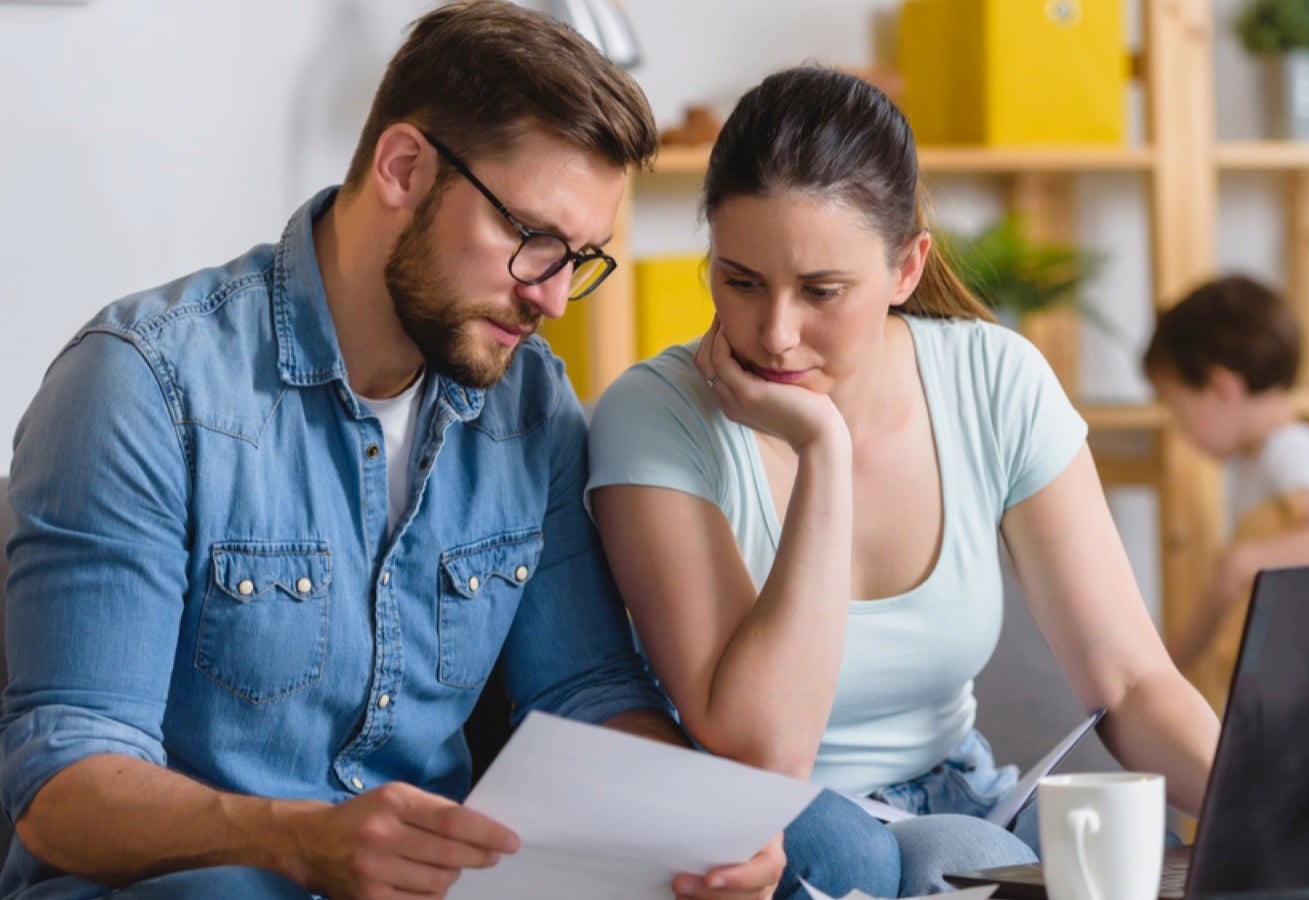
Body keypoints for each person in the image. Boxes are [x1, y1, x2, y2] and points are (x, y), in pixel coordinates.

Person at [0, 6, 894, 899]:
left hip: (434, 884)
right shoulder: (144, 385)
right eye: (532, 241)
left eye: (578, 259)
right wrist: (301, 843)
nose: (553, 299)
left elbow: (585, 694)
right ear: (403, 169)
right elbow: (61, 783)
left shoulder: (527, 402)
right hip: (200, 882)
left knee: (828, 844)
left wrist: (705, 827)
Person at [586, 66, 1221, 896]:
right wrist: (823, 454)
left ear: (907, 269)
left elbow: (1132, 682)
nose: (775, 333)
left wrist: (1275, 810)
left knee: (1119, 840)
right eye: (740, 281)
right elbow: (756, 749)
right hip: (768, 817)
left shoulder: (996, 381)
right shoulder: (653, 415)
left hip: (956, 792)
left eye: (822, 291)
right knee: (869, 858)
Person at [1143, 274, 1309, 712]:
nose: (1180, 428)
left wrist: (1242, 561)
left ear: (1221, 387)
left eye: (1178, 407)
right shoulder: (1261, 460)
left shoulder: (1290, 448)